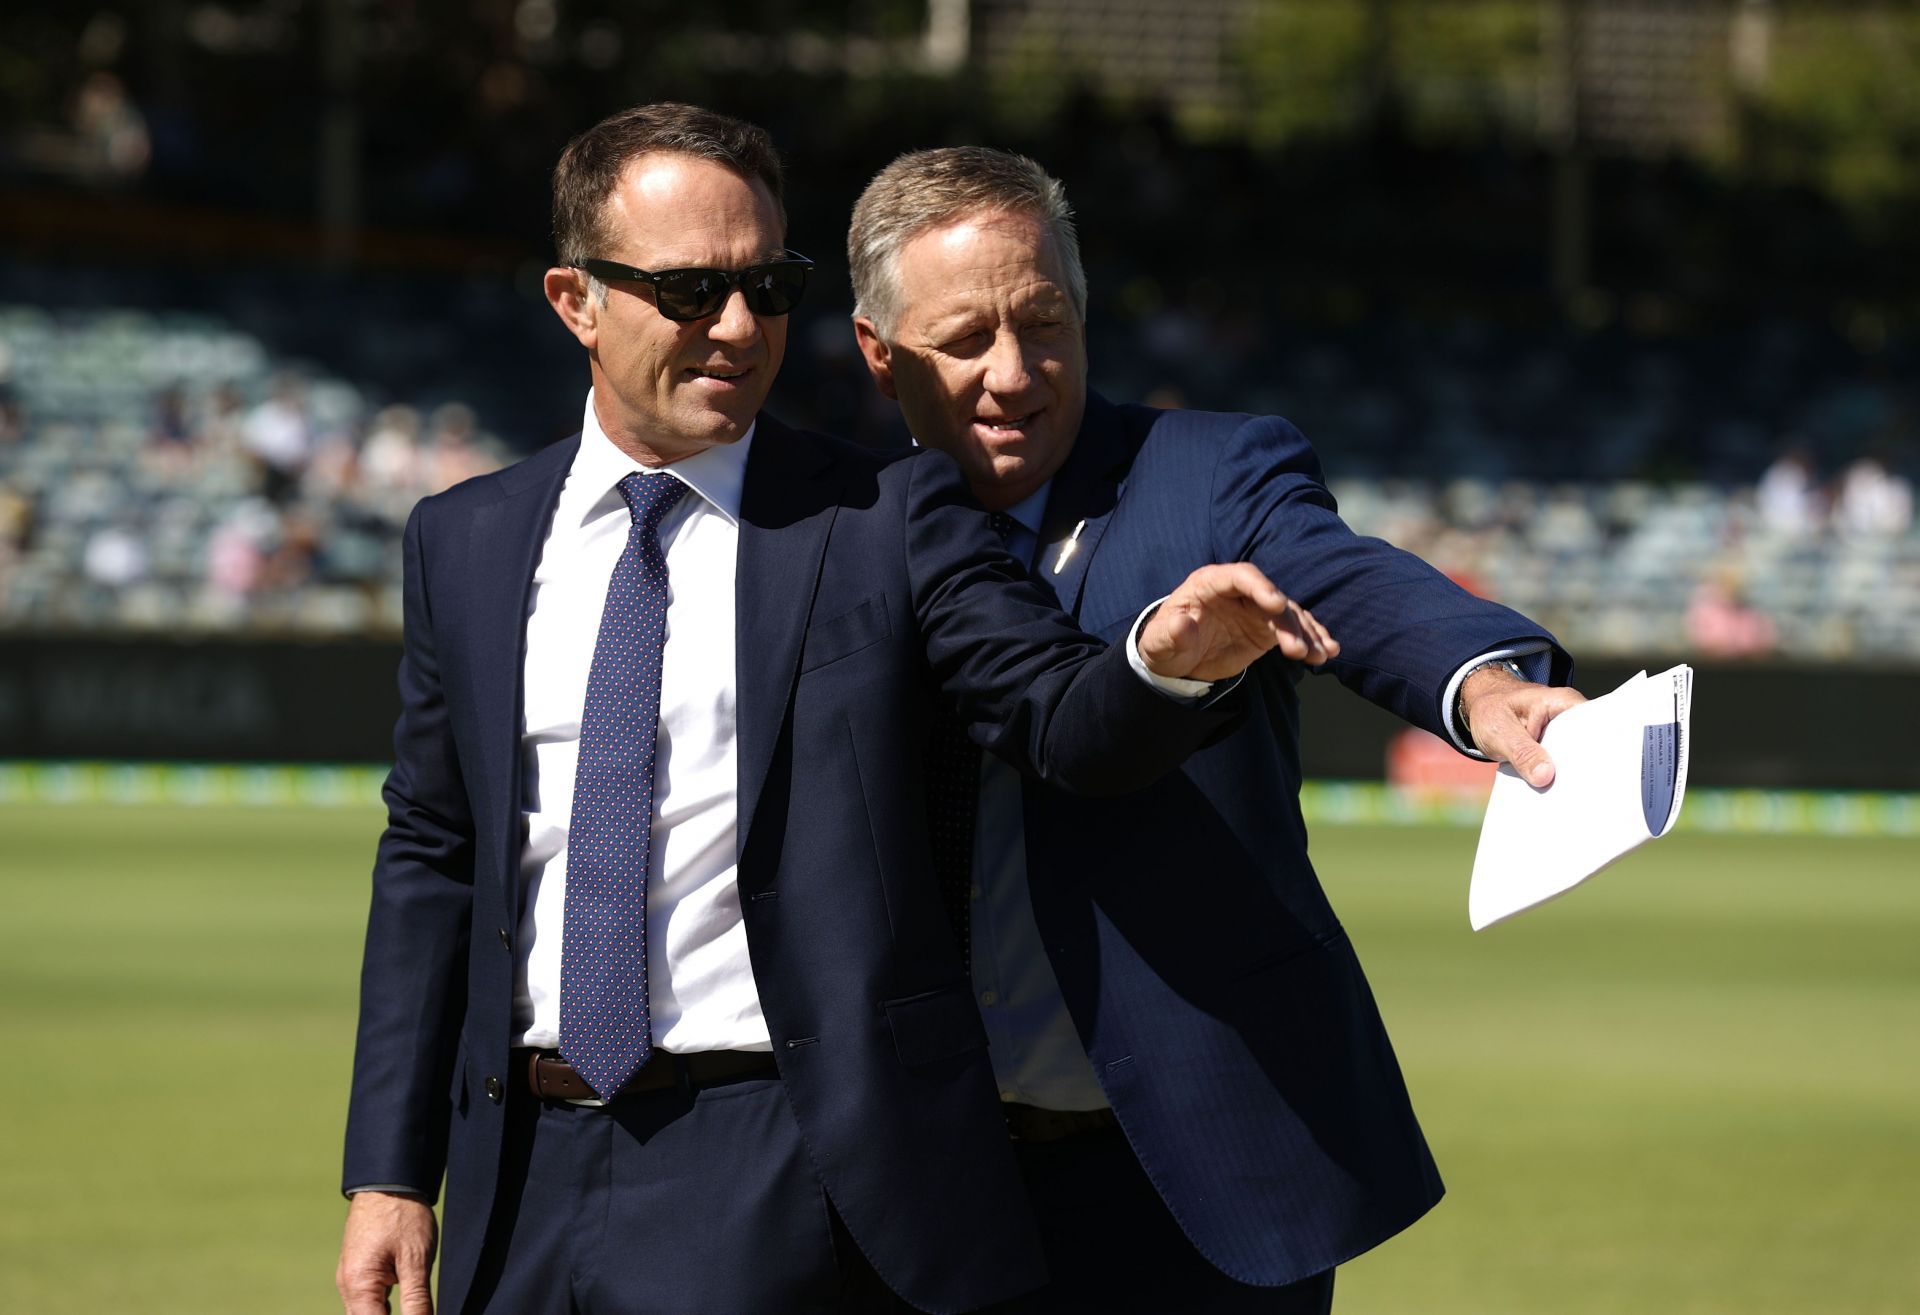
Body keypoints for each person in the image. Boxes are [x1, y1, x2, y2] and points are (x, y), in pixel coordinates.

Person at [335, 104, 1329, 1315]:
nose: (742, 326)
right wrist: (389, 1172)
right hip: (513, 1172)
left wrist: (1169, 662)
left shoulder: (888, 515)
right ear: (574, 299)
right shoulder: (466, 538)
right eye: (693, 289)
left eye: (770, 282)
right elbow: (433, 856)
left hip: (777, 1166)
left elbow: (1060, 718)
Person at [848, 146, 1587, 1312]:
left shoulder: (1209, 475)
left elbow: (1338, 579)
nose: (1013, 372)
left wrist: (1481, 684)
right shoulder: (828, 529)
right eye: (964, 339)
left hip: (1210, 1174)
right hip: (925, 1188)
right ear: (879, 354)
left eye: (1044, 322)